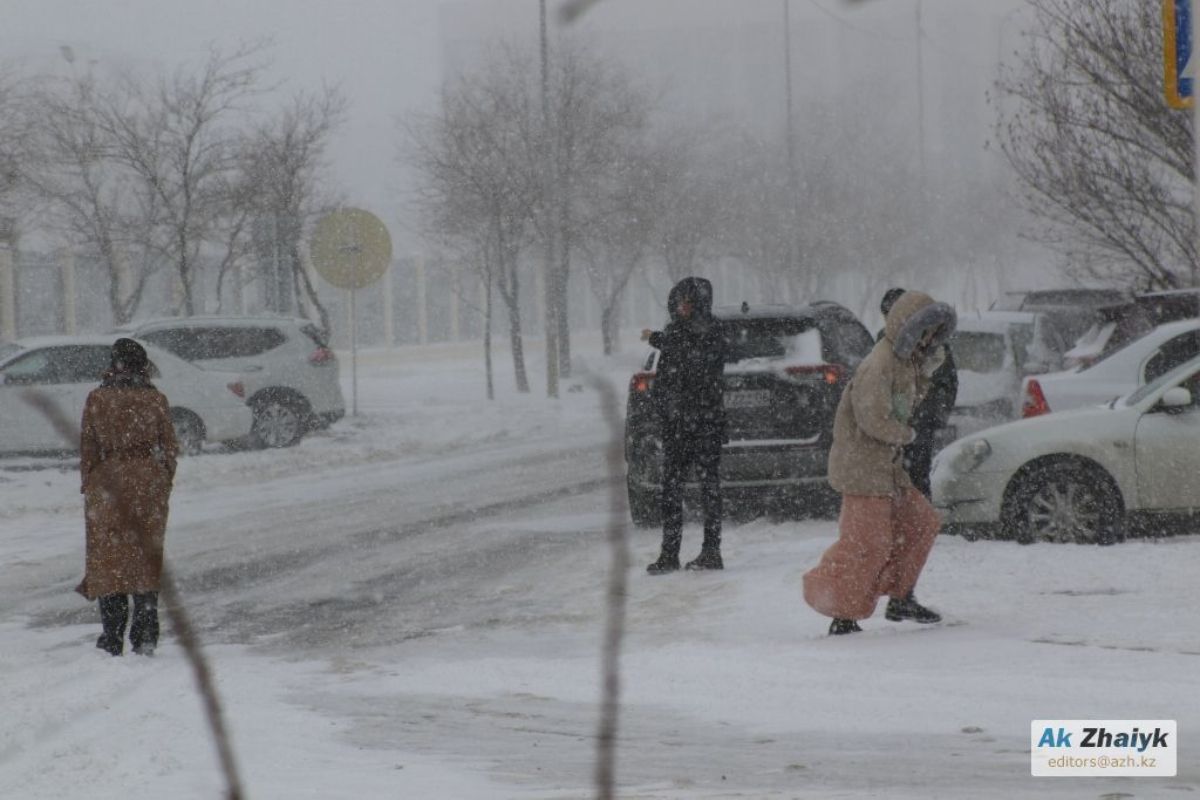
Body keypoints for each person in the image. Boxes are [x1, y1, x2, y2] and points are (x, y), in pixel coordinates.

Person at [803, 291, 956, 634]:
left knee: (921, 523)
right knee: (866, 543)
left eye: (935, 333)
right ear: (908, 328)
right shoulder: (880, 364)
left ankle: (901, 596)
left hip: (888, 468)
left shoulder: (907, 364)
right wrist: (908, 434)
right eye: (925, 332)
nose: (930, 340)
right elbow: (873, 419)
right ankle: (841, 609)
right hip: (863, 470)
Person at [77, 338, 179, 656]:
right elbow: (170, 447)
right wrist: (162, 479)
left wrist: (90, 482)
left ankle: (112, 636)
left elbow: (88, 447)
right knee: (145, 559)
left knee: (109, 561)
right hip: (147, 484)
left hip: (108, 484)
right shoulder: (155, 400)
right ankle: (145, 633)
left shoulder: (97, 399)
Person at [641, 276, 728, 574]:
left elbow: (694, 361)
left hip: (702, 423)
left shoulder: (709, 332)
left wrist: (660, 339)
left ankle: (711, 550)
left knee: (707, 489)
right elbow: (673, 368)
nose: (681, 308)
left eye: (687, 303)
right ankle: (669, 553)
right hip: (678, 425)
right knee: (672, 490)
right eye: (679, 303)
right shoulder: (678, 332)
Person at [877, 287, 958, 498]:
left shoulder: (933, 343)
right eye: (887, 316)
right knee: (892, 478)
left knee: (917, 475)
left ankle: (916, 521)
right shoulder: (882, 342)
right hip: (893, 424)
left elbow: (947, 383)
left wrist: (932, 415)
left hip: (919, 423)